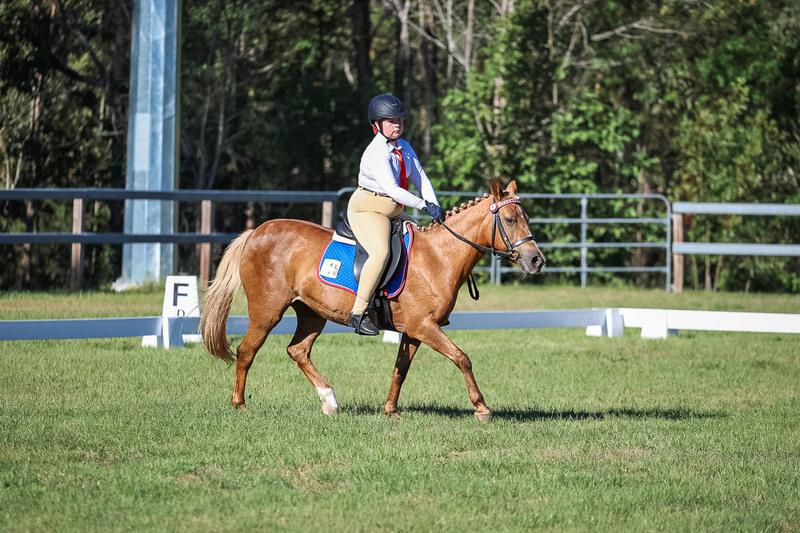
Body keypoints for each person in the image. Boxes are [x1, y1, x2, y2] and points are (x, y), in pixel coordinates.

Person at [346, 94, 445, 335]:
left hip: (393, 209)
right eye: (390, 121)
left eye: (399, 119)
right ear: (377, 125)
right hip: (369, 208)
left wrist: (435, 205)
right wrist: (423, 206)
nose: (397, 124)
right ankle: (358, 313)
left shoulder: (405, 148)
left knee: (421, 243)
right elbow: (392, 189)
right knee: (380, 253)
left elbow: (420, 178)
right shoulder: (375, 153)